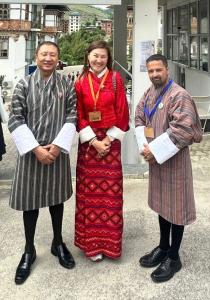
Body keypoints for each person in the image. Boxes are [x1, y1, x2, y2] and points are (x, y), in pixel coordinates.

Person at [8, 41, 77, 285]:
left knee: (56, 200)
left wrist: (56, 147)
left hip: (57, 150)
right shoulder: (23, 85)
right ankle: (29, 250)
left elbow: (72, 115)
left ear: (58, 59)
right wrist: (36, 149)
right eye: (44, 54)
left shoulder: (66, 85)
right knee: (31, 203)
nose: (48, 58)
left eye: (53, 55)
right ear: (36, 57)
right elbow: (15, 119)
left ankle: (58, 242)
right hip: (31, 152)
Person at [135, 54, 202, 283]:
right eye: (151, 71)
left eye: (158, 70)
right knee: (163, 205)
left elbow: (182, 129)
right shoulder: (149, 93)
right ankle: (163, 247)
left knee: (176, 208)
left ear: (167, 70)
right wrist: (144, 146)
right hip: (156, 161)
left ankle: (174, 257)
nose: (154, 74)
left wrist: (154, 151)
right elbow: (139, 117)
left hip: (174, 162)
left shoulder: (179, 95)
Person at [74, 40, 129, 262]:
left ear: (108, 59)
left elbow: (123, 112)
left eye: (103, 57)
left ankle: (110, 245)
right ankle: (91, 244)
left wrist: (107, 139)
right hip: (89, 146)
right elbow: (78, 114)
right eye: (95, 56)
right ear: (88, 56)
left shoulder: (115, 80)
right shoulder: (79, 82)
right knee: (89, 196)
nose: (99, 60)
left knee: (110, 196)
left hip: (111, 145)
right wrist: (94, 141)